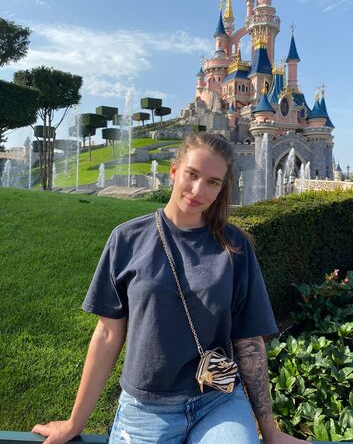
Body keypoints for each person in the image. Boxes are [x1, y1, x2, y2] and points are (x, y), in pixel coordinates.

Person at [32, 132, 302, 444]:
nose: (198, 190)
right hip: (146, 408)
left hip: (217, 401)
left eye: (212, 182)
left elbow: (249, 341)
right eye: (192, 174)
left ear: (221, 188)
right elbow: (107, 334)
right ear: (174, 171)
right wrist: (74, 422)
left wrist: (270, 432)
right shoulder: (127, 239)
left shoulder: (234, 246)